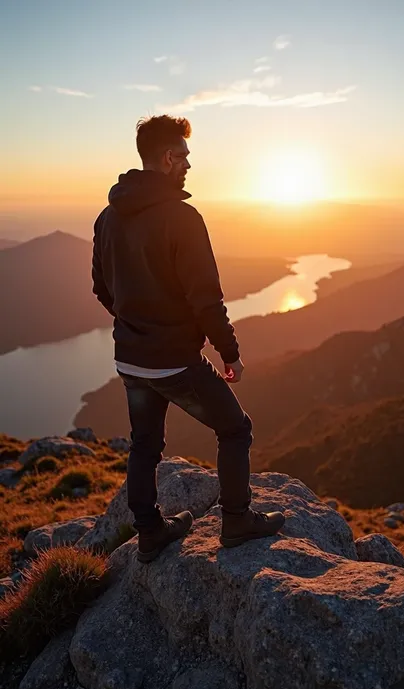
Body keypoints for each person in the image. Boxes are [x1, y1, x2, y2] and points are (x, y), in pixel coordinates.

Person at [92, 115, 285, 562]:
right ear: (165, 158)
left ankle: (149, 531)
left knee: (144, 444)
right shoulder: (181, 217)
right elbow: (206, 298)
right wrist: (229, 352)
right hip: (175, 361)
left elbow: (103, 289)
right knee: (235, 429)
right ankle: (236, 520)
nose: (188, 165)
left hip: (131, 359)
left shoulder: (108, 217)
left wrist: (136, 327)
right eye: (183, 156)